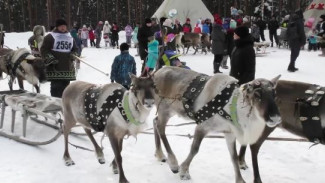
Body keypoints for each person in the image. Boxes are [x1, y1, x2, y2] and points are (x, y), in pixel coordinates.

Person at [41, 19, 78, 98]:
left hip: (67, 68)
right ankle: (56, 105)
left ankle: (65, 105)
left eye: (64, 26)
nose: (63, 28)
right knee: (56, 89)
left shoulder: (70, 36)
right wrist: (50, 58)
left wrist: (73, 54)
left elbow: (75, 49)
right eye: (61, 26)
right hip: (55, 67)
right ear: (57, 27)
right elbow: (44, 50)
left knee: (66, 90)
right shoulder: (50, 36)